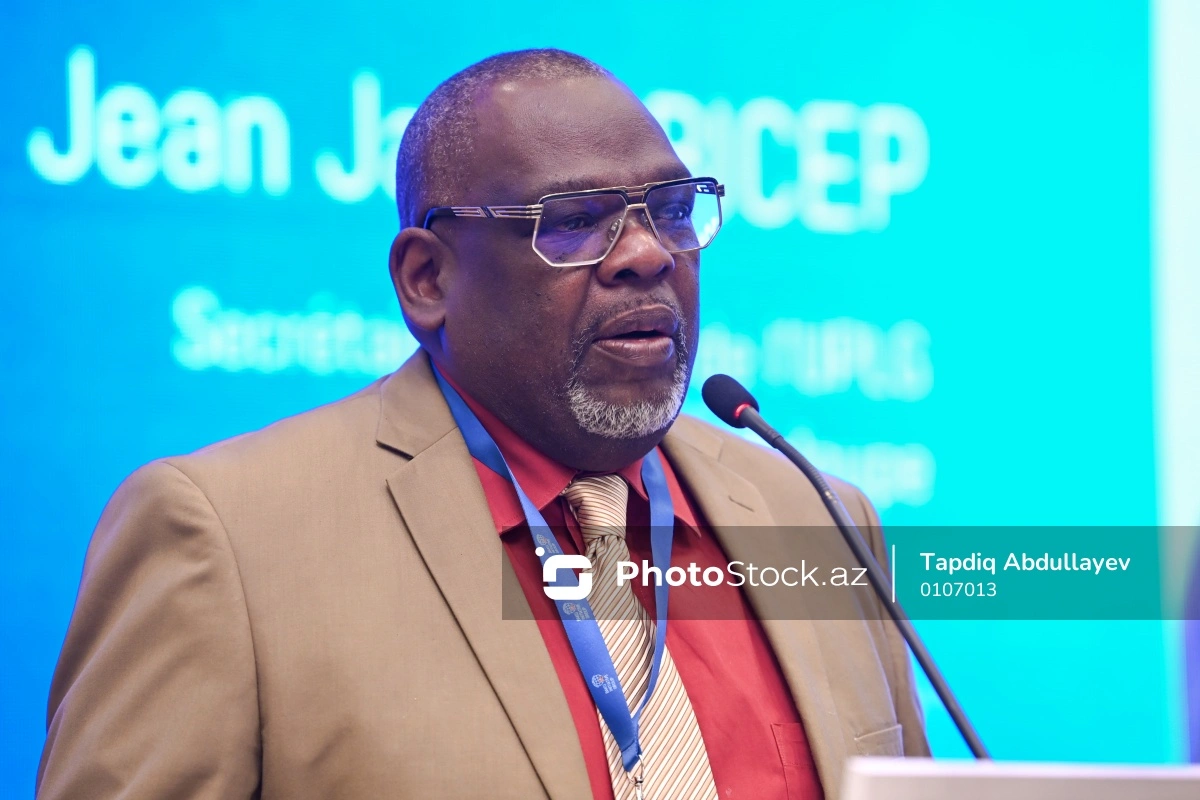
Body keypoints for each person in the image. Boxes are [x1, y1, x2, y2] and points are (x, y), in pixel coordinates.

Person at [37, 49, 929, 800]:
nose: (649, 253)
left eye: (671, 210)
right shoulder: (226, 540)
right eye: (573, 222)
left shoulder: (820, 517)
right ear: (428, 279)